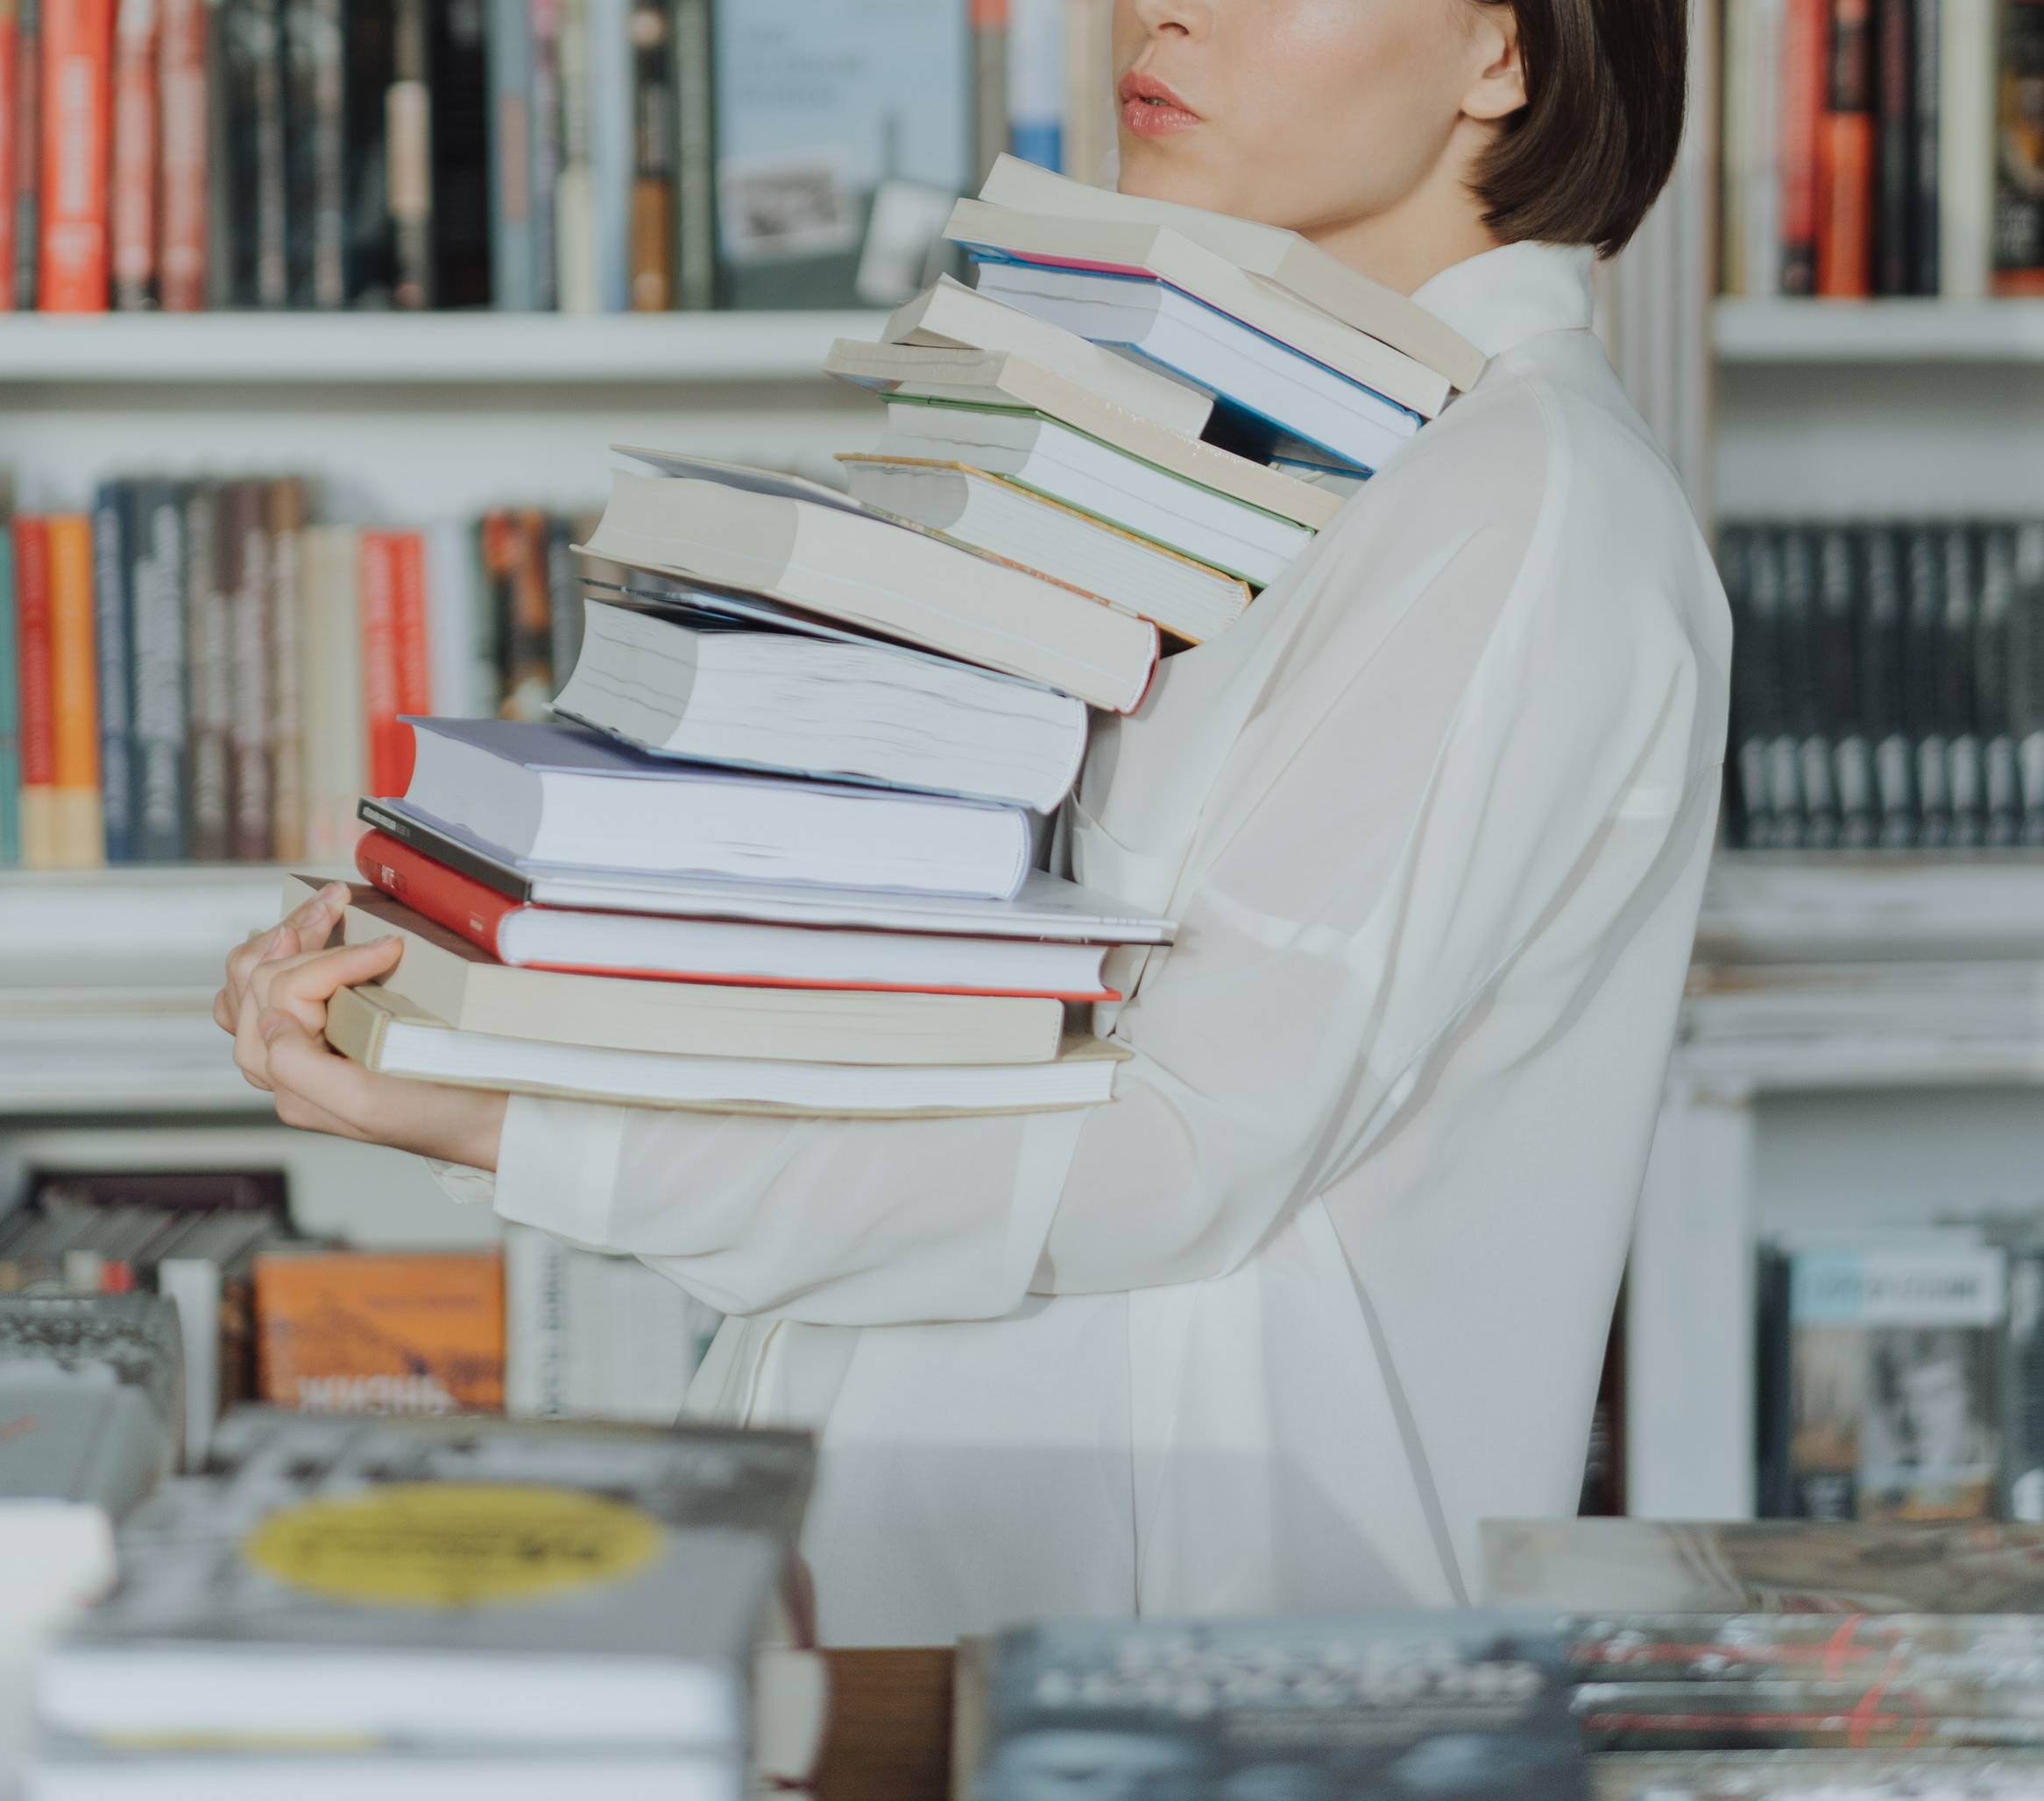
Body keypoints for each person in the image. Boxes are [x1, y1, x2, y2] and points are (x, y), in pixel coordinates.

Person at [216, 0, 1728, 1644]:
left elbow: (1174, 1161)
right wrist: (472, 1007)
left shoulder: (1523, 508)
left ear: (1499, 58)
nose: (1159, 11)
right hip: (931, 1522)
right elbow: (962, 1011)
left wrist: (504, 1128)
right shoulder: (1265, 452)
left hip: (1183, 1610)